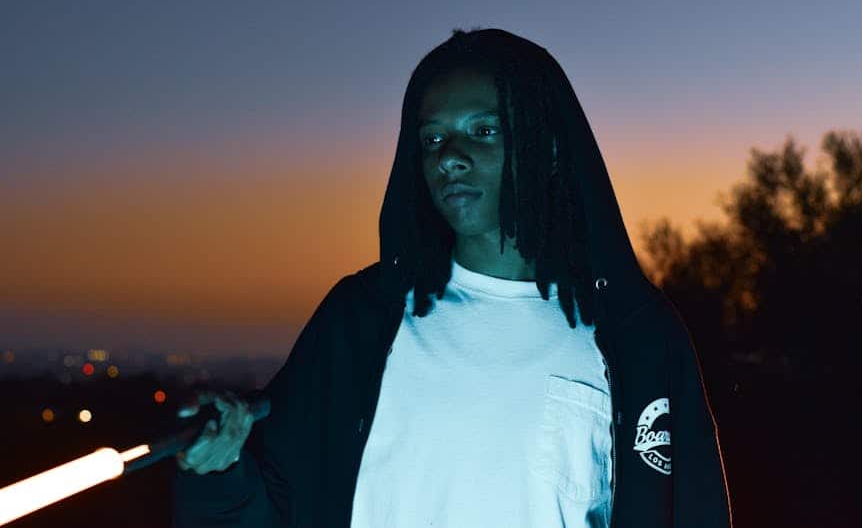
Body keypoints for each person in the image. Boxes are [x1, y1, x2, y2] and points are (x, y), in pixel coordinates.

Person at [172, 28, 733, 527]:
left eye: (483, 130)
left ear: (547, 148)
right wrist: (219, 468)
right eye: (433, 139)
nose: (450, 158)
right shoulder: (359, 322)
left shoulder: (635, 336)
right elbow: (268, 501)